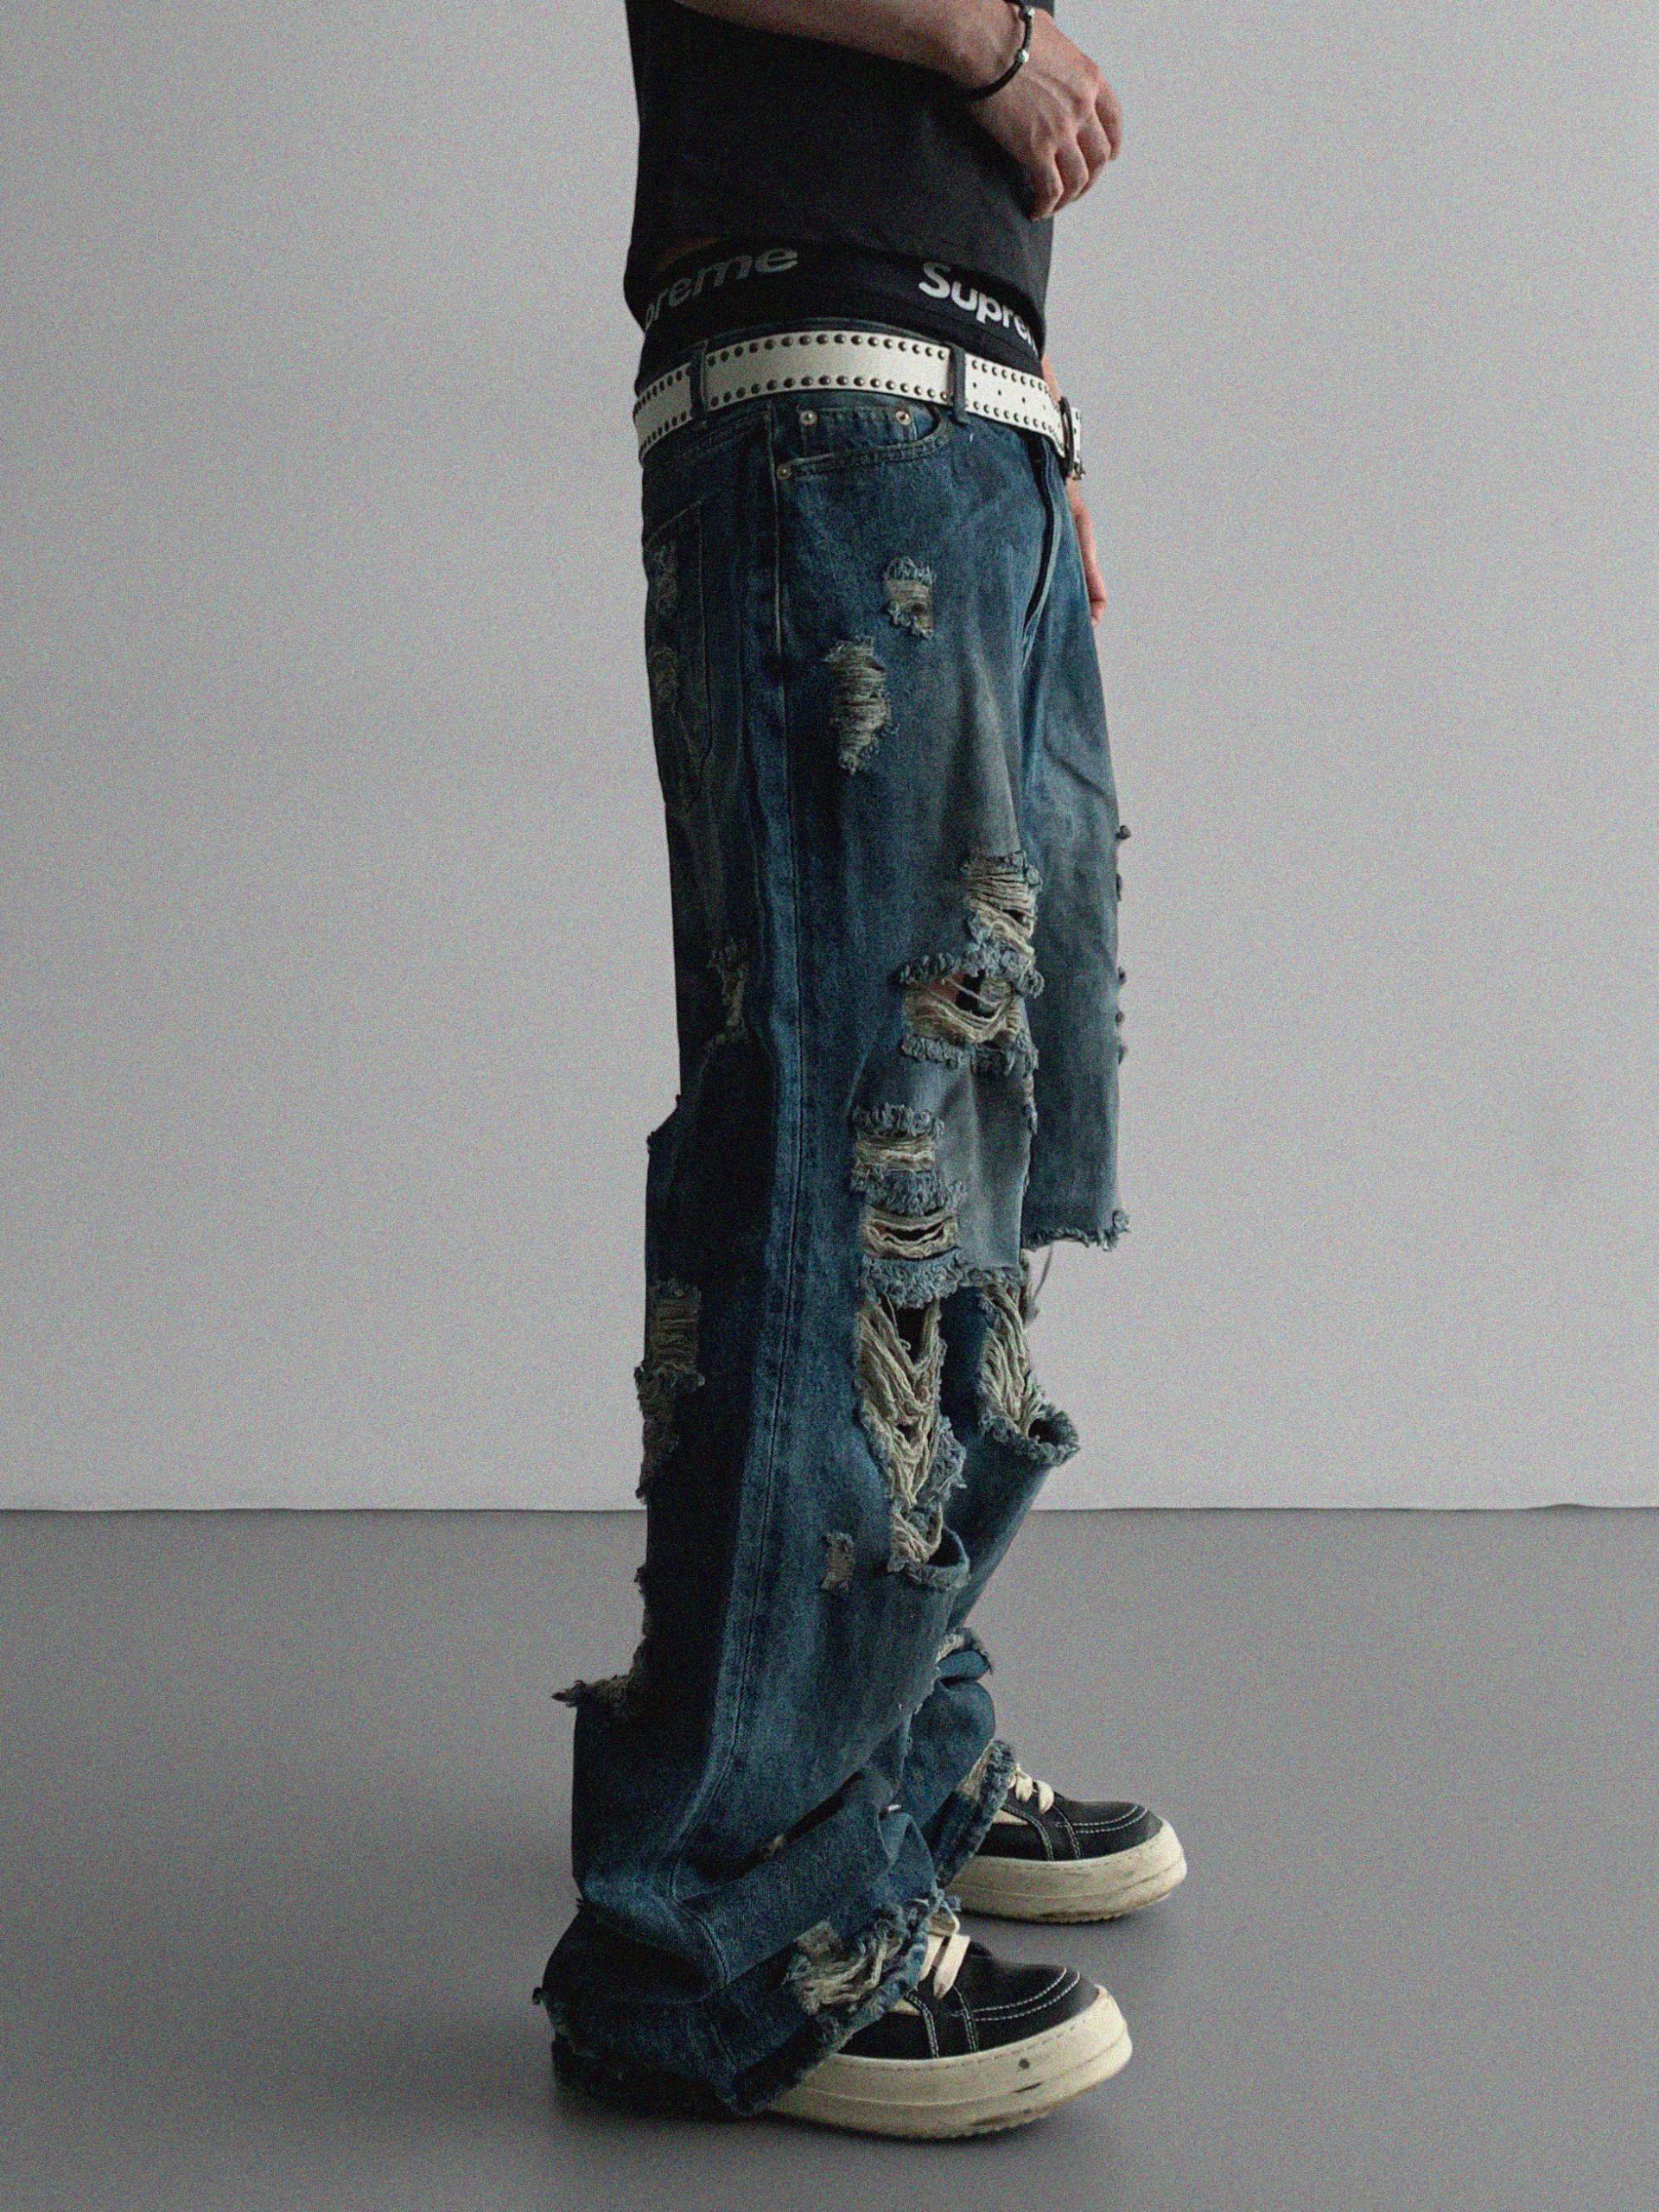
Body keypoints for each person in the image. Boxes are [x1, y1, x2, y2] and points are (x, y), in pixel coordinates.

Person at [534, 0, 1184, 2138]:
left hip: (951, 417)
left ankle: (884, 1747)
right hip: (832, 410)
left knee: (961, 1156)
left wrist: (1036, 432)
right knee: (846, 1156)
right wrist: (995, 44)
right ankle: (730, 1932)